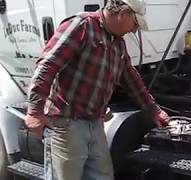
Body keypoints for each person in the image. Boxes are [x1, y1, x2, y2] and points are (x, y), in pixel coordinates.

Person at [25, 0, 170, 179]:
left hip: (95, 122)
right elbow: (47, 66)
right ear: (123, 14)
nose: (134, 29)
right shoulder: (81, 26)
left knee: (102, 176)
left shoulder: (118, 43)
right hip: (67, 122)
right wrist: (35, 112)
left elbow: (131, 80)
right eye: (135, 23)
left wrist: (154, 110)